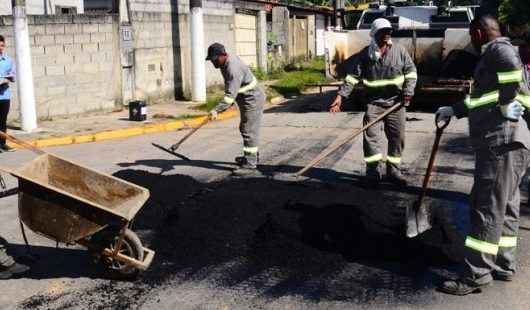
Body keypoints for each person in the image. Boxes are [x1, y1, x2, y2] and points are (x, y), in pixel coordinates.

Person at [436, 16, 530, 296]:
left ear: (478, 33)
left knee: (486, 207)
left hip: (500, 144)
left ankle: (476, 274)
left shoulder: (499, 51)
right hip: (513, 145)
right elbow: (481, 98)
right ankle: (503, 264)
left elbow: (511, 77)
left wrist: (504, 105)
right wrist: (454, 109)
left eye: (471, 35)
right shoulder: (501, 54)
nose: (472, 42)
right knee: (507, 206)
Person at [329, 18, 417, 187]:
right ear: (375, 34)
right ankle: (373, 172)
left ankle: (393, 171)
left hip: (396, 104)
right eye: (383, 31)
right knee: (371, 138)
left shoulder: (399, 51)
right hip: (374, 104)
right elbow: (353, 77)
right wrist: (340, 97)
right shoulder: (365, 55)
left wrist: (408, 92)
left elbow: (411, 72)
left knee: (397, 139)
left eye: (389, 31)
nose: (387, 34)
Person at [206, 43, 266, 176]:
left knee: (249, 130)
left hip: (253, 100)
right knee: (245, 128)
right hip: (245, 98)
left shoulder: (232, 68)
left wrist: (216, 110)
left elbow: (229, 96)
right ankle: (250, 156)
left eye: (215, 59)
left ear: (222, 55)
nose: (213, 62)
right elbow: (232, 91)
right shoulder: (225, 63)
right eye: (211, 60)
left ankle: (250, 165)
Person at [0, 35, 15, 152]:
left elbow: (13, 76)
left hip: (4, 96)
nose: (1, 47)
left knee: (3, 121)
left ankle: (2, 144)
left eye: (2, 45)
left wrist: (8, 79)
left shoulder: (8, 60)